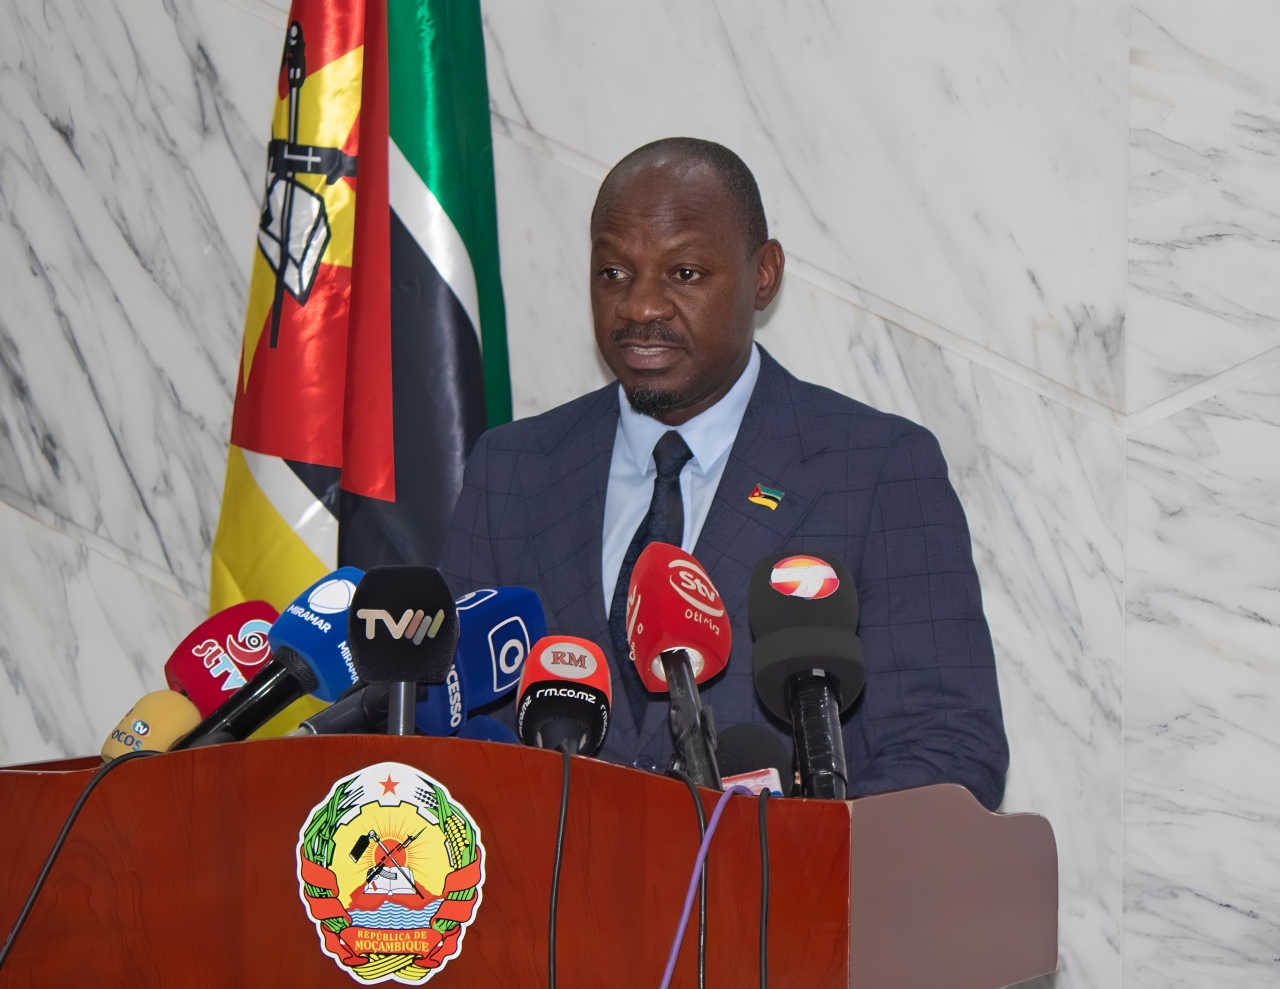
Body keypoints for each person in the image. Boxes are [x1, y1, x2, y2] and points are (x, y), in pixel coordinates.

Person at [442, 138, 1008, 809]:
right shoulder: (512, 469)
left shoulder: (877, 470)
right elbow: (448, 725)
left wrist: (773, 850)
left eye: (683, 273)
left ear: (763, 276)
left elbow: (949, 753)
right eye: (614, 272)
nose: (639, 307)